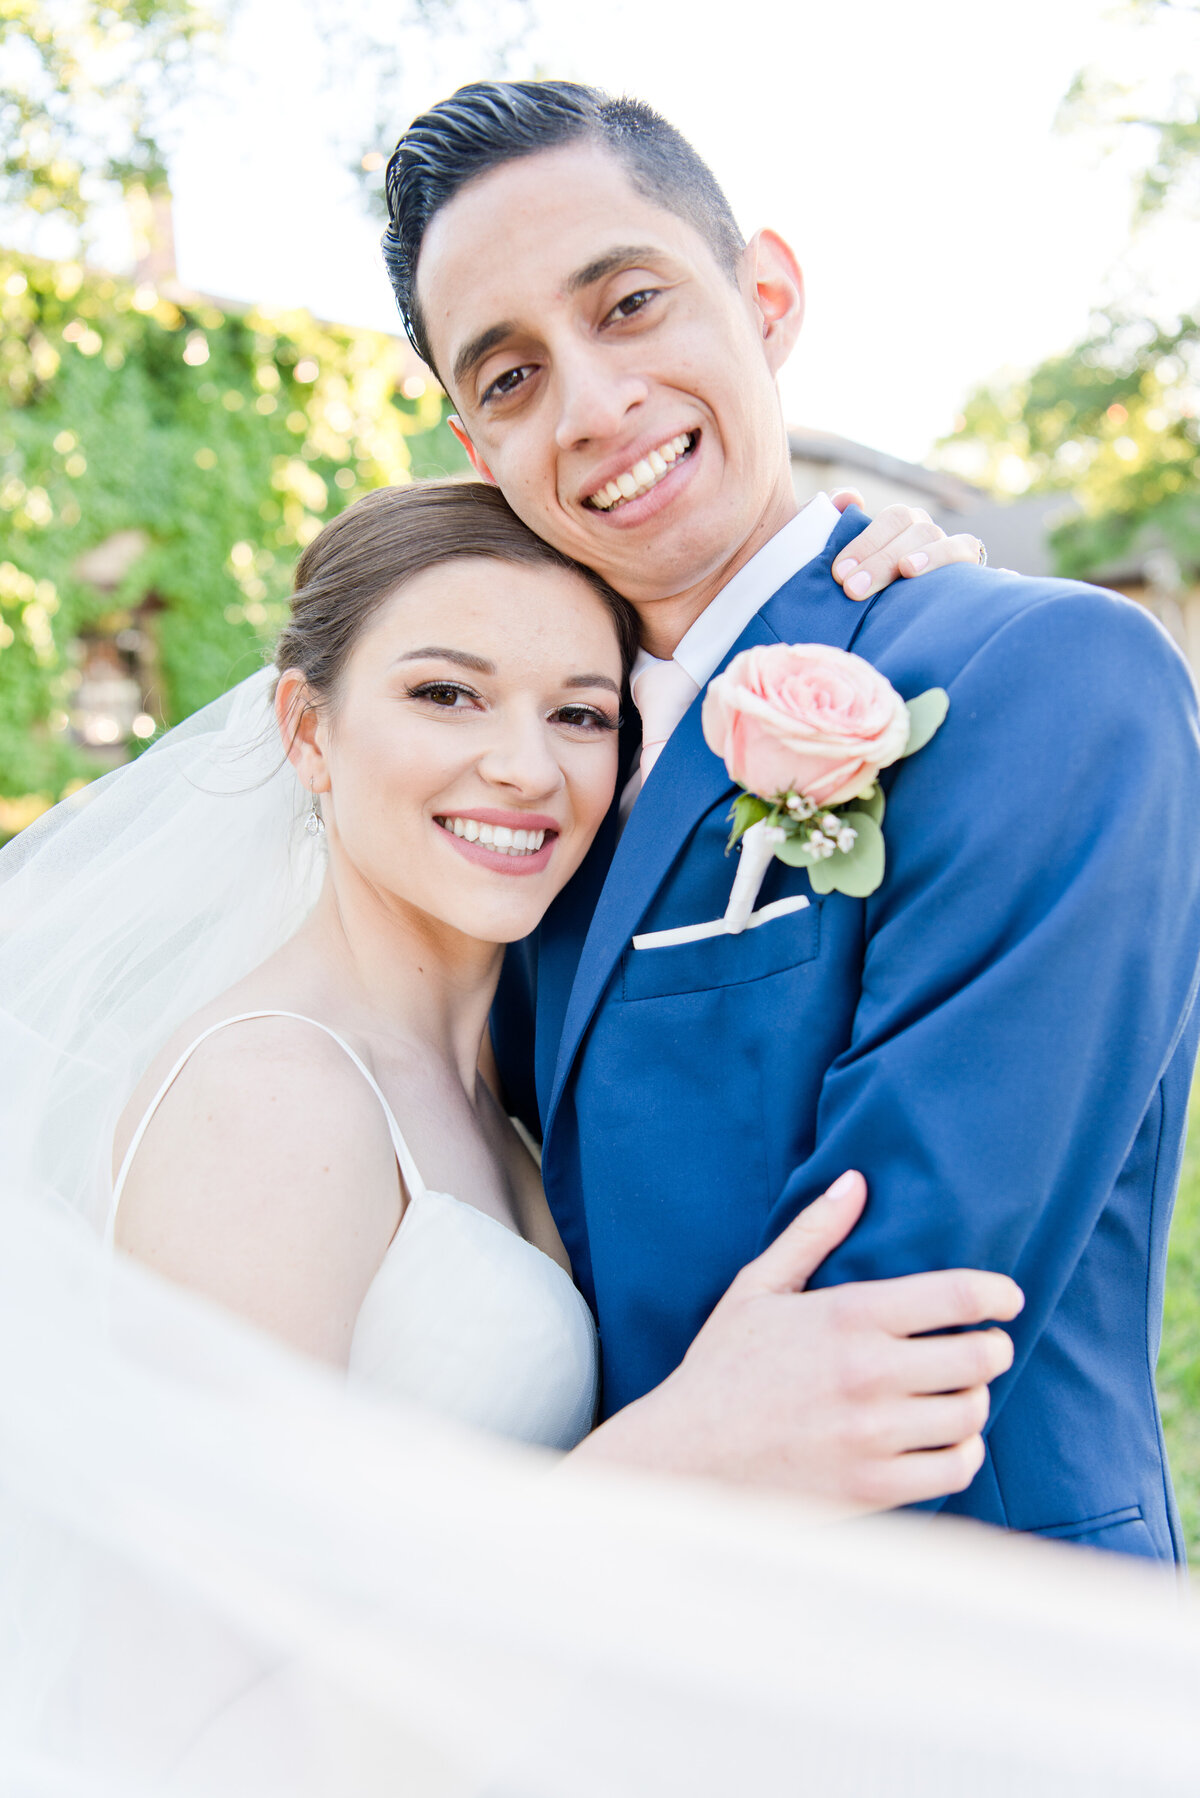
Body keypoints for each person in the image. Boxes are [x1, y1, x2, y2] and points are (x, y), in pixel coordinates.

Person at [381, 79, 1200, 1557]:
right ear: (473, 445)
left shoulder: (1045, 676)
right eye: (509, 378)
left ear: (765, 295)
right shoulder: (532, 799)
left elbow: (884, 1317)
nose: (594, 404)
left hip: (972, 1668)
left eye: (629, 303)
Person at [81, 477, 1009, 1498]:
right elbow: (207, 1644)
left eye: (579, 712)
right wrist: (677, 1458)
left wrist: (904, 613)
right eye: (446, 694)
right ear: (308, 731)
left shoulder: (520, 1067)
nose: (527, 768)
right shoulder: (266, 1096)